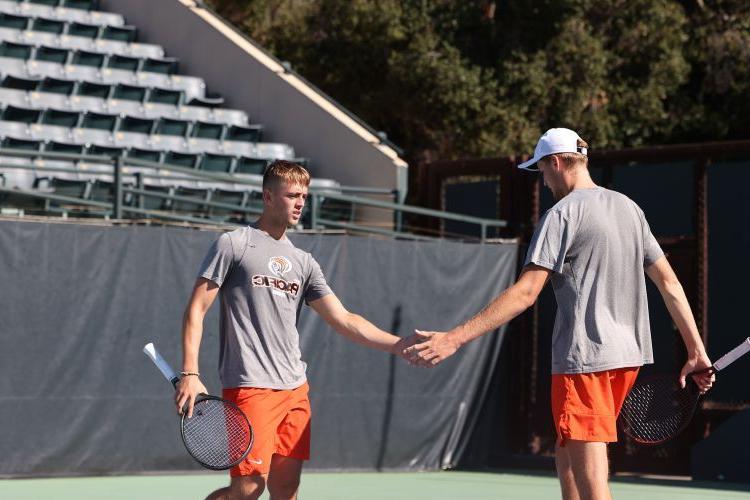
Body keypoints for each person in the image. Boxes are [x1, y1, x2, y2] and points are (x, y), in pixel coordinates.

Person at [405, 128, 715, 500]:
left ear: (555, 162)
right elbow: (670, 284)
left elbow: (526, 292)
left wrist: (453, 338)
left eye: (542, 172)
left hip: (585, 361)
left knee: (591, 482)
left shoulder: (561, 214)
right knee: (567, 449)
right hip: (627, 360)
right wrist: (696, 351)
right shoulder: (629, 208)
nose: (544, 182)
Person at [175, 160, 412, 500]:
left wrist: (399, 344)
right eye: (292, 195)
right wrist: (190, 372)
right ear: (268, 196)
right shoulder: (234, 244)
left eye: (304, 195)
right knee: (247, 490)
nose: (301, 202)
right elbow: (196, 309)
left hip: (295, 391)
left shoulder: (304, 262)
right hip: (251, 387)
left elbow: (344, 319)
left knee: (287, 489)